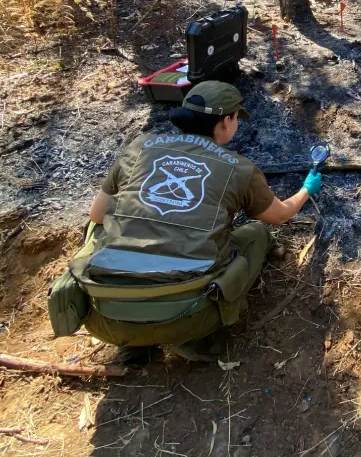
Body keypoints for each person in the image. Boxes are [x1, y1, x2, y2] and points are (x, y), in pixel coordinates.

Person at [49, 81, 322, 364]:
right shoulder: (238, 168)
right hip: (190, 316)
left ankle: (133, 341)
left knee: (100, 228)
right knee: (256, 234)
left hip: (105, 317)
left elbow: (96, 215)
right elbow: (278, 215)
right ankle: (194, 340)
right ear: (226, 121)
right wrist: (306, 190)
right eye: (236, 119)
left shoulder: (139, 148)